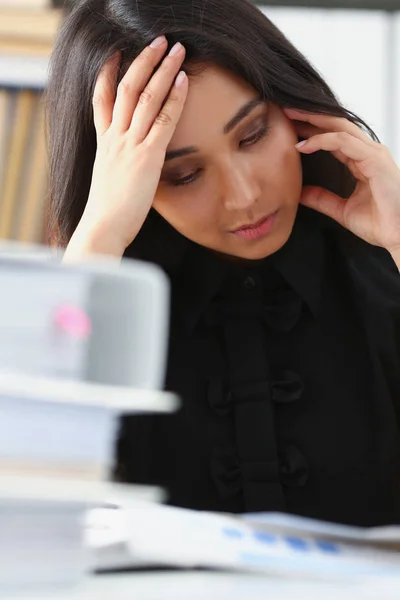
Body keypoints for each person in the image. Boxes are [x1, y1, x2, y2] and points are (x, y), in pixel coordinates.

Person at [45, 0, 400, 527]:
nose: (243, 197)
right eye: (183, 175)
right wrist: (99, 236)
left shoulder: (383, 277)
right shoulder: (92, 312)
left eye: (253, 134)